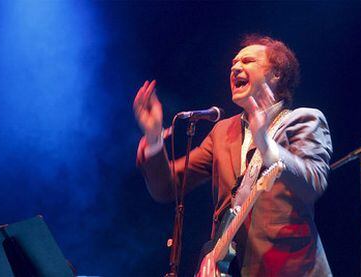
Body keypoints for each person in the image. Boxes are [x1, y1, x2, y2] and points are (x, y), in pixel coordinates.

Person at [133, 35, 333, 276]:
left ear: (276, 74)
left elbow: (314, 182)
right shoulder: (222, 132)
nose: (236, 67)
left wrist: (266, 145)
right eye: (233, 64)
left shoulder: (304, 120)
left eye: (247, 61)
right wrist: (154, 139)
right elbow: (167, 188)